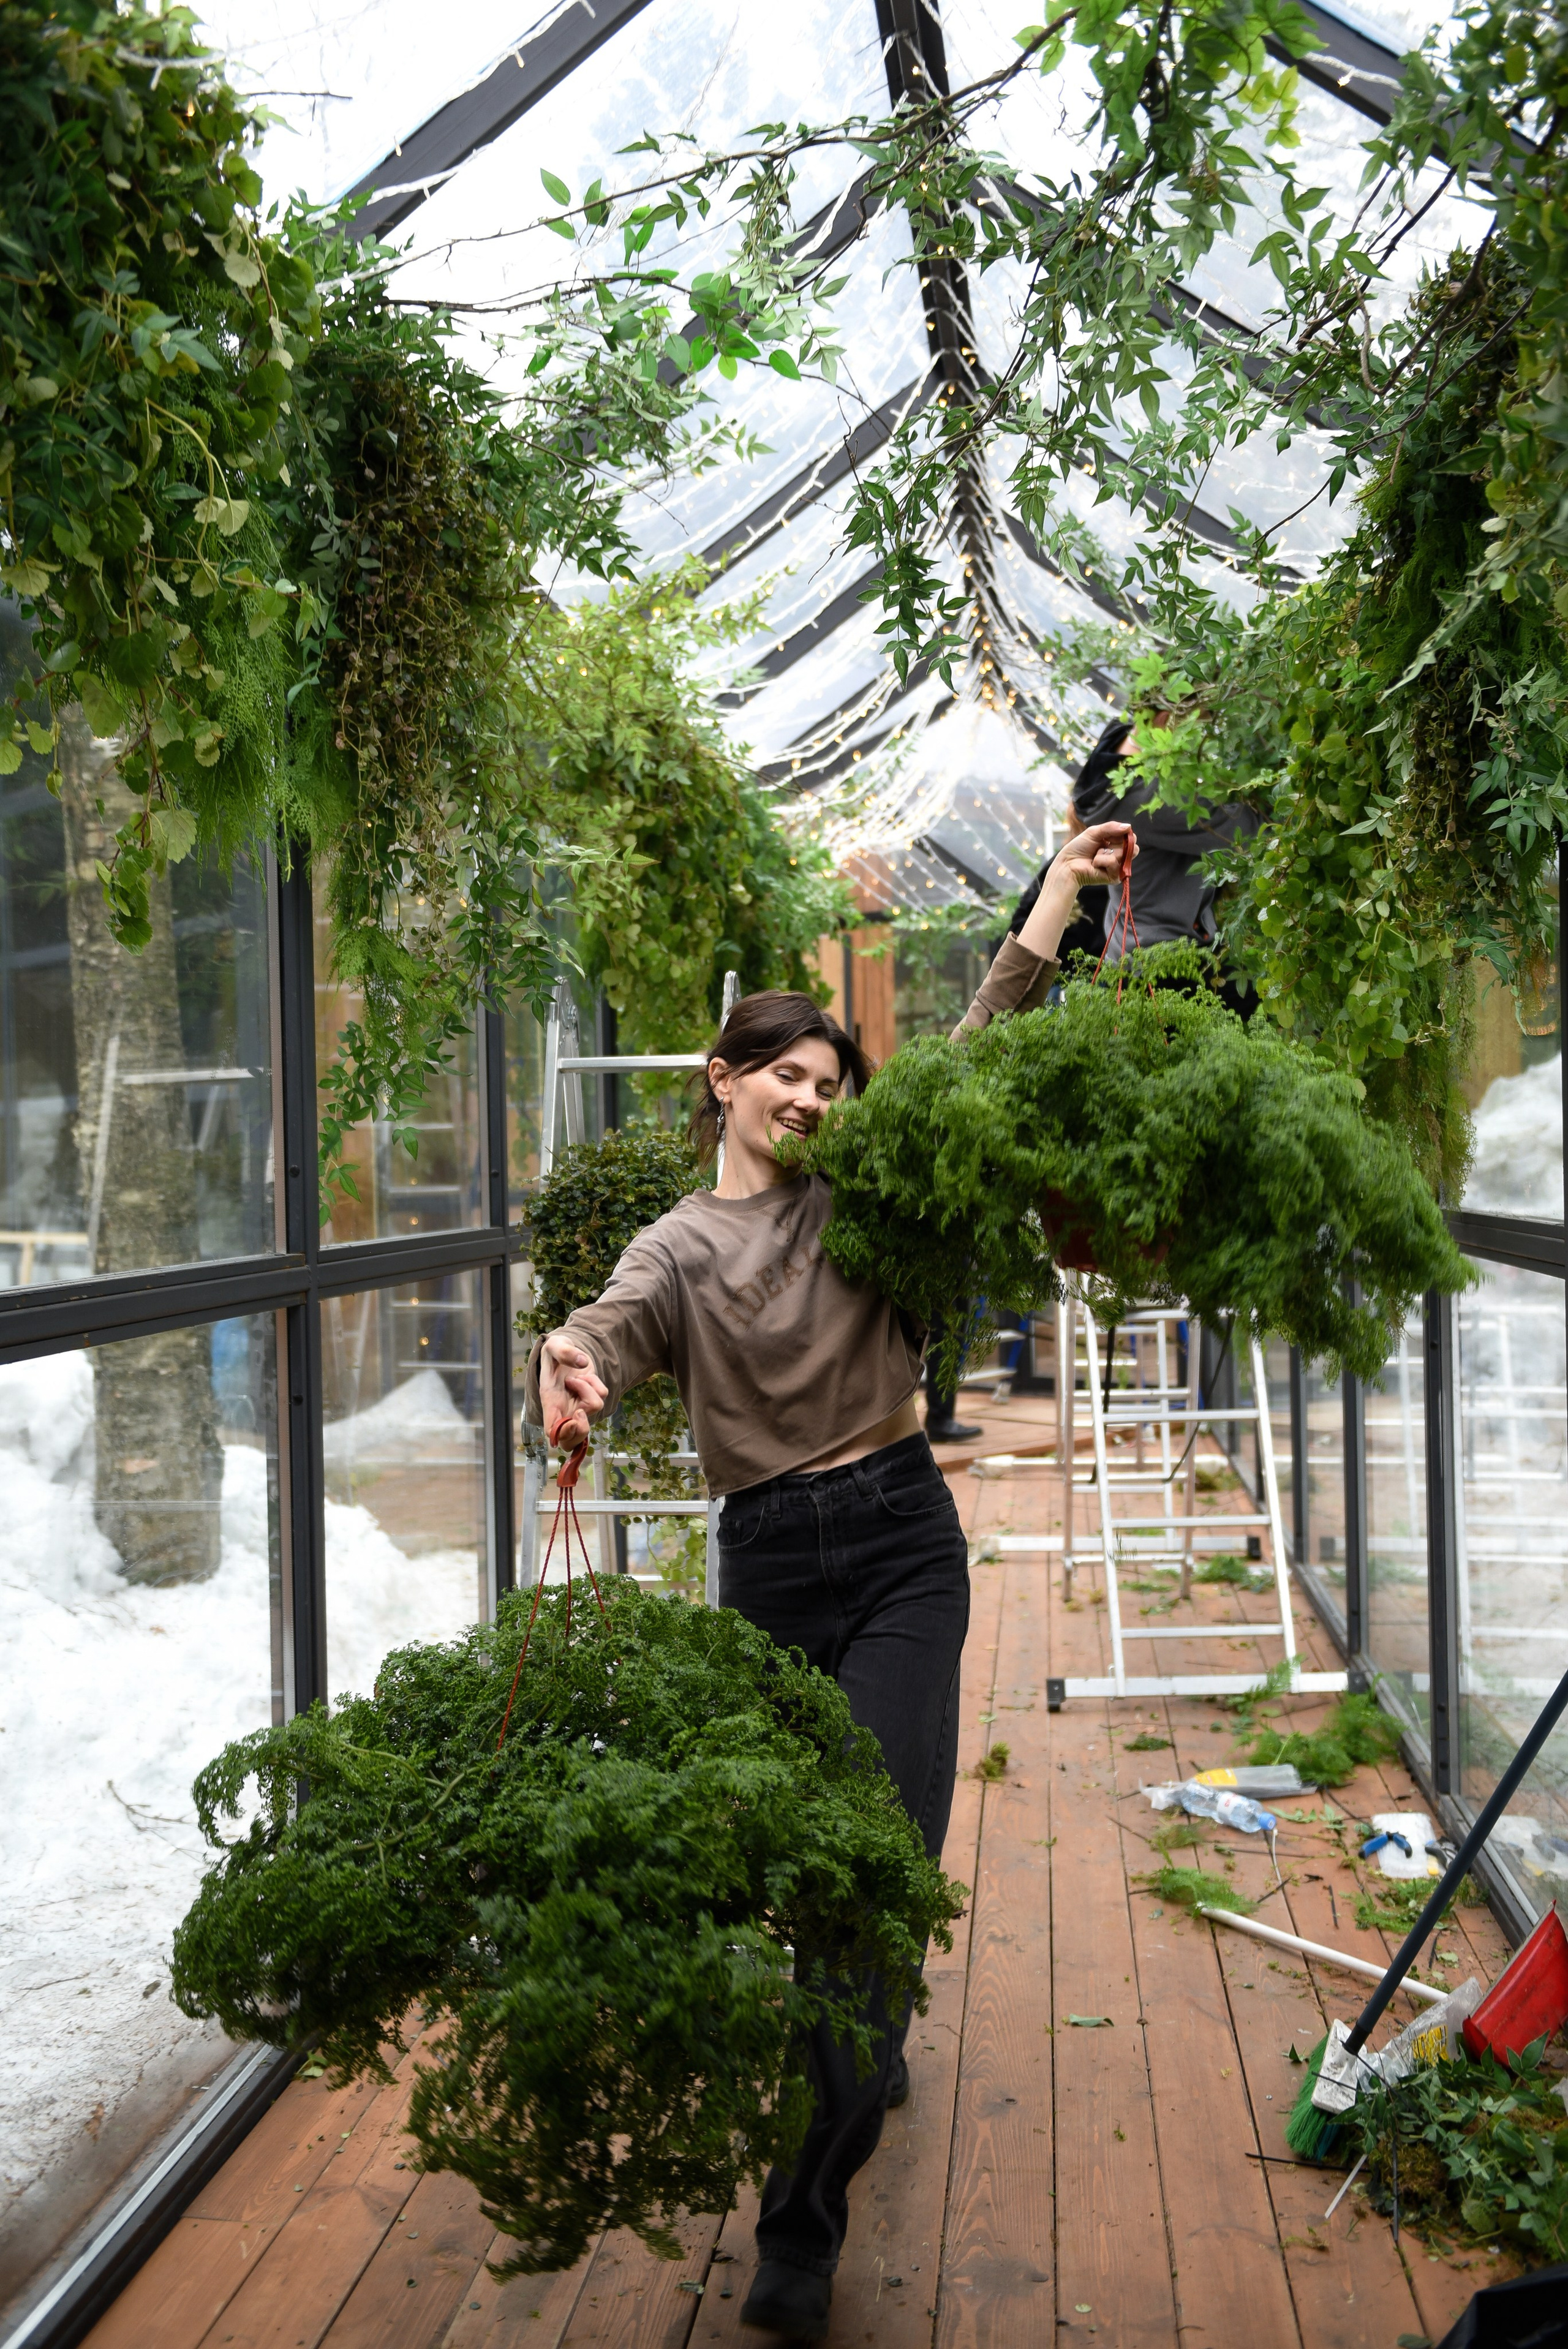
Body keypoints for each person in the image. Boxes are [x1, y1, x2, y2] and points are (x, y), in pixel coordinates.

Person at [531, 816, 1134, 2341]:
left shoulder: (862, 1180)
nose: (809, 1098)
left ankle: (797, 2226)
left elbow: (981, 1036)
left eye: (826, 1082)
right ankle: (860, 2041)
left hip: (896, 1545)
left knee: (872, 1863)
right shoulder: (676, 1245)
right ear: (721, 1080)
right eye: (784, 1075)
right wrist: (570, 1361)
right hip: (768, 1574)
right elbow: (611, 1320)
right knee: (808, 1872)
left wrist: (1059, 891)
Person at [1069, 713, 1258, 959]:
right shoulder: (1149, 800)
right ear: (1167, 716)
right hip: (1158, 958)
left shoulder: (1119, 744)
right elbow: (1246, 832)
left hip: (1141, 947)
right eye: (1202, 720)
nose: (1205, 733)